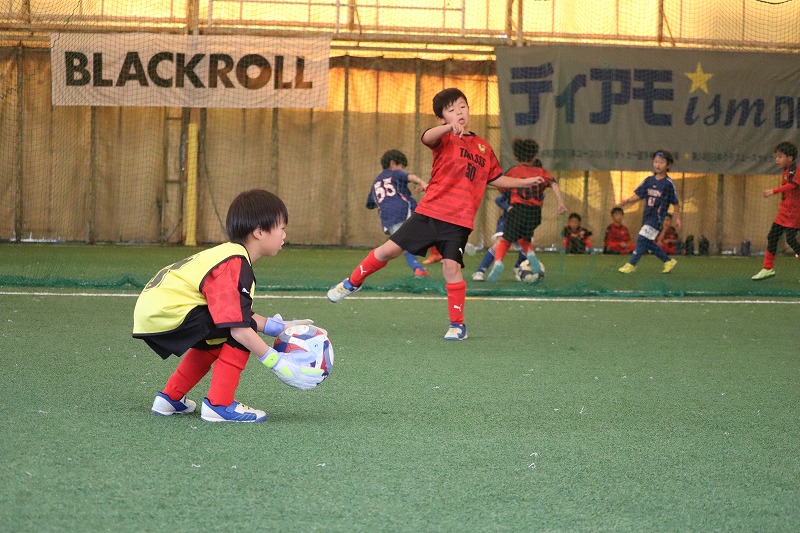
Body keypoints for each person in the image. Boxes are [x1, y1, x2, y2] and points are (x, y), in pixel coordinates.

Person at [326, 87, 545, 340]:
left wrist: (524, 182)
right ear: (442, 118)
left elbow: (495, 179)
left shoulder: (483, 147)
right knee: (388, 251)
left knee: (451, 268)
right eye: (451, 110)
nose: (459, 112)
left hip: (459, 221)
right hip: (429, 212)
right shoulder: (444, 137)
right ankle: (351, 283)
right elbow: (426, 137)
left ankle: (457, 326)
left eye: (462, 107)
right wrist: (448, 128)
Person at [133, 189, 325, 423]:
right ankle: (220, 404)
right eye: (282, 228)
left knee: (220, 333)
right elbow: (240, 328)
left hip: (155, 311)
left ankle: (170, 398)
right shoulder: (235, 264)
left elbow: (235, 313)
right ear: (259, 232)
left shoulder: (230, 255)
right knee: (239, 331)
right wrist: (278, 362)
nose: (284, 235)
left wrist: (277, 327)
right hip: (166, 312)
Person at [485, 141, 567, 282]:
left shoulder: (513, 171)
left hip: (518, 210)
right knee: (523, 237)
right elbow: (553, 183)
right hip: (535, 213)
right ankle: (531, 254)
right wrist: (560, 202)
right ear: (534, 157)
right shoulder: (541, 172)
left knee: (505, 239)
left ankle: (498, 262)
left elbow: (502, 187)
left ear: (516, 157)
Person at [366, 149, 430, 278]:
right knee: (430, 227)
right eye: (401, 166)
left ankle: (418, 269)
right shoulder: (394, 173)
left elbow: (370, 204)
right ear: (393, 163)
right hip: (403, 211)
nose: (402, 169)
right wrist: (423, 183)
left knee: (405, 244)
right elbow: (410, 177)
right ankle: (450, 244)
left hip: (387, 219)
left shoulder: (376, 182)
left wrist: (385, 202)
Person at [617, 150, 681, 274]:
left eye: (661, 162)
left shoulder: (668, 184)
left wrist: (678, 218)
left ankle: (631, 265)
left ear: (668, 165)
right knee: (647, 242)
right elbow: (639, 195)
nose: (658, 165)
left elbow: (675, 202)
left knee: (641, 238)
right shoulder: (649, 180)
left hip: (657, 218)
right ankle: (668, 261)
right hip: (647, 216)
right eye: (656, 162)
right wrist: (627, 201)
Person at [752, 141, 800, 280]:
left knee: (791, 240)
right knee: (772, 236)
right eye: (776, 157)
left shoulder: (794, 171)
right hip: (784, 211)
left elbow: (792, 185)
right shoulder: (786, 171)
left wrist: (773, 191)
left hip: (794, 213)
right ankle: (767, 268)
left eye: (780, 156)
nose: (777, 160)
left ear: (790, 158)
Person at [471, 191, 526, 281]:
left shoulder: (535, 192)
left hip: (522, 224)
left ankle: (518, 268)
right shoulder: (513, 189)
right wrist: (507, 207)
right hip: (507, 222)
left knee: (526, 247)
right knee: (499, 243)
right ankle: (480, 271)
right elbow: (498, 200)